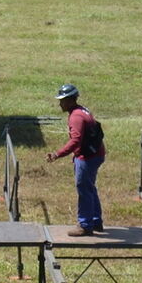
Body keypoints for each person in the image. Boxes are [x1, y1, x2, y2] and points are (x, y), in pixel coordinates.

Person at [48, 84, 105, 237]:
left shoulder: (76, 117)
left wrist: (57, 154)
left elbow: (76, 141)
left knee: (84, 189)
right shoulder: (82, 110)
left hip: (87, 158)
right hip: (96, 154)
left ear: (71, 100)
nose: (60, 103)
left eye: (63, 100)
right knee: (90, 187)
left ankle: (85, 225)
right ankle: (96, 221)